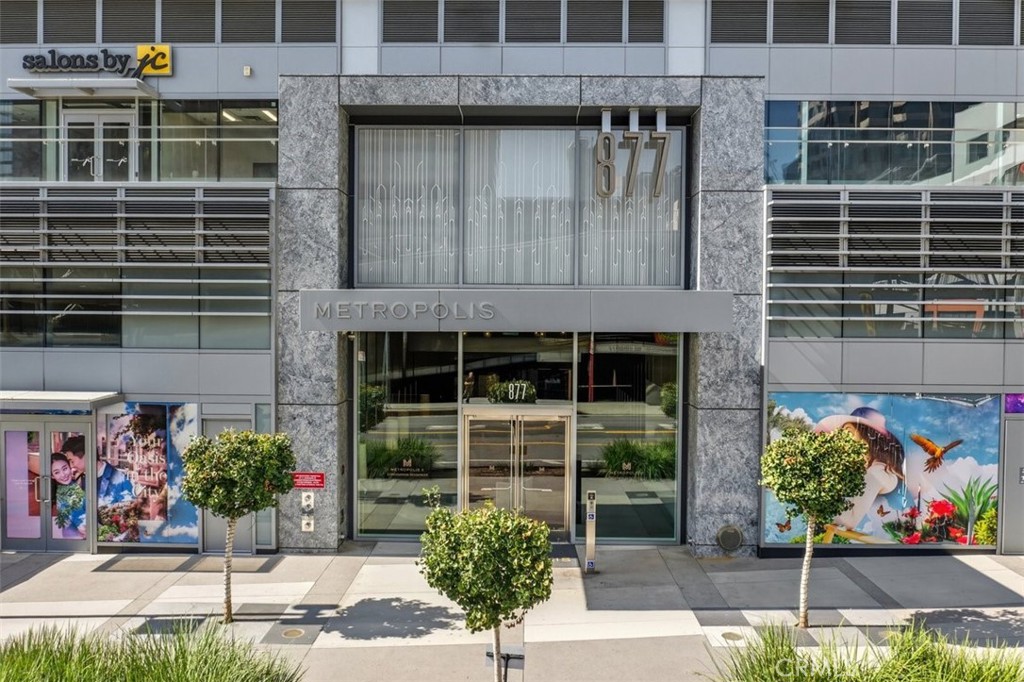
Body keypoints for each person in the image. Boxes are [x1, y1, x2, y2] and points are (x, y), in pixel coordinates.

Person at [813, 406, 906, 534]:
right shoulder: (877, 469)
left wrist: (819, 492)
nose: (840, 442)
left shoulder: (876, 474)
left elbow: (850, 521)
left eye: (848, 433)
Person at [65, 434, 135, 506]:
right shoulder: (80, 481)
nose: (71, 466)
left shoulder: (120, 480)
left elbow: (130, 511)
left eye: (72, 461)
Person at [50, 453, 86, 539]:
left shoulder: (70, 485)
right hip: (78, 540)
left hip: (71, 537)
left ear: (70, 466)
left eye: (65, 469)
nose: (63, 475)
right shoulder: (65, 494)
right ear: (52, 476)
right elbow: (84, 527)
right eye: (57, 472)